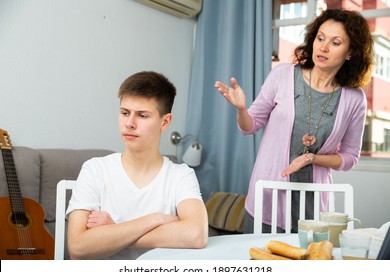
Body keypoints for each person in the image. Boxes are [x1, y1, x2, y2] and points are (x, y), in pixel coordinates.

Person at [215, 9, 374, 233]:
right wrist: (241, 109)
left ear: (351, 52)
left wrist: (313, 158)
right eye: (320, 38)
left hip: (314, 205)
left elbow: (349, 158)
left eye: (335, 42)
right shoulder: (282, 75)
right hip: (268, 198)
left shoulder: (354, 99)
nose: (323, 47)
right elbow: (249, 126)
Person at [66, 71, 208, 259]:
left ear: (165, 122)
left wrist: (114, 231)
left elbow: (196, 234)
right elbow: (78, 247)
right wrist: (153, 220)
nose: (129, 123)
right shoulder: (95, 169)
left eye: (142, 115)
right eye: (125, 113)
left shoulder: (181, 175)